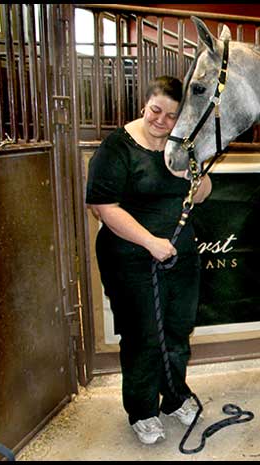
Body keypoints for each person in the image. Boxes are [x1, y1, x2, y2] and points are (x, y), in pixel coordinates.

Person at [85, 76, 212, 444]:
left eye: (172, 116)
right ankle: (142, 410)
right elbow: (103, 208)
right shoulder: (117, 148)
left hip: (180, 256)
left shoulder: (181, 147)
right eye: (156, 110)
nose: (162, 120)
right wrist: (150, 242)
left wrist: (194, 173)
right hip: (131, 257)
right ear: (145, 104)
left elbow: (202, 194)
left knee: (177, 329)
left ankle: (174, 398)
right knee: (143, 336)